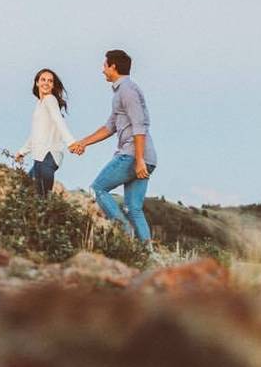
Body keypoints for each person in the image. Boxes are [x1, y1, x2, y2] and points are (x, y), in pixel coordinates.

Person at [69, 50, 157, 245]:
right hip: (145, 157)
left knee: (98, 188)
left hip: (134, 155)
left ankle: (124, 235)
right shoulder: (122, 92)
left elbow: (139, 125)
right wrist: (83, 143)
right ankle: (146, 254)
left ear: (113, 67)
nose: (102, 70)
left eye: (104, 65)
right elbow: (109, 127)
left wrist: (139, 160)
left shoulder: (127, 90)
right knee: (133, 208)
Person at [14, 68, 77, 197]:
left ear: (53, 85)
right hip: (40, 158)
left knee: (40, 201)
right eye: (43, 80)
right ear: (37, 82)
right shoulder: (40, 104)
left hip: (48, 156)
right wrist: (22, 152)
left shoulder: (49, 99)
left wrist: (71, 142)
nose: (46, 83)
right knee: (26, 193)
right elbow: (35, 134)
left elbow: (58, 120)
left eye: (50, 81)